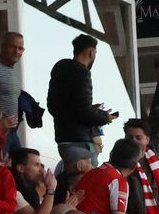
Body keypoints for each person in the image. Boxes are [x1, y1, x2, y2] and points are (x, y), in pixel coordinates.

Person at [47, 34, 116, 164]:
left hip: (63, 139)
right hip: (80, 140)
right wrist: (105, 117)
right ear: (91, 52)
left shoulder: (61, 70)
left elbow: (62, 106)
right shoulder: (82, 73)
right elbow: (84, 111)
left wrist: (91, 109)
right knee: (88, 176)